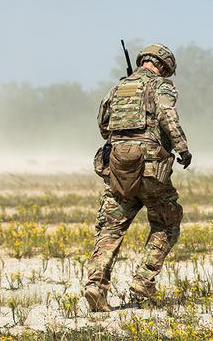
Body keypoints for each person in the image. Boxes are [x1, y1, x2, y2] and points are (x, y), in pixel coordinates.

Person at [84, 44, 192, 311]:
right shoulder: (160, 86)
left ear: (143, 61)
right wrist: (182, 148)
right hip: (151, 169)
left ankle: (95, 287)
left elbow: (103, 124)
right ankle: (144, 279)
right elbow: (168, 116)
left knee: (110, 228)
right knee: (167, 222)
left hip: (119, 168)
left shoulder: (117, 88)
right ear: (164, 66)